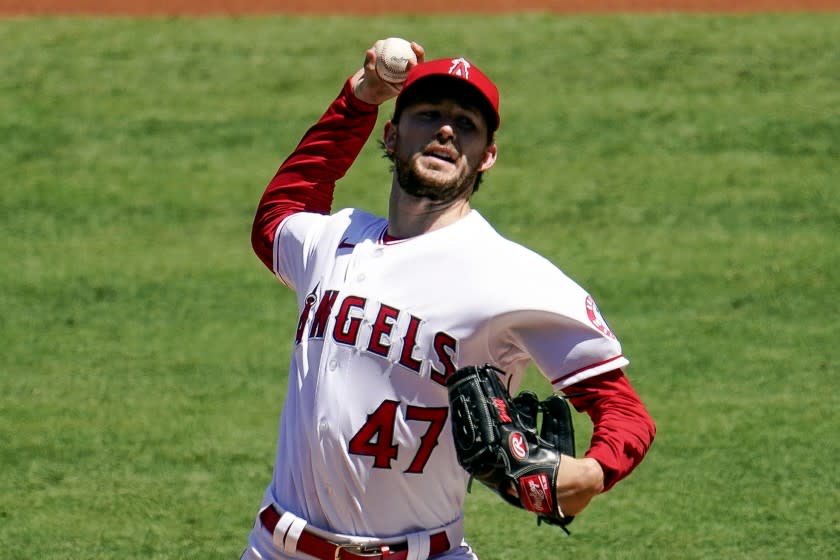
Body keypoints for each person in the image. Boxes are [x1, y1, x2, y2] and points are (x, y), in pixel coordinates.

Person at [241, 39, 656, 560]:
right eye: (429, 114)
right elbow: (279, 215)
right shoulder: (337, 238)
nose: (445, 129)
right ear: (391, 136)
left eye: (466, 124)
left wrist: (593, 471)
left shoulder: (514, 277)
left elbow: (625, 410)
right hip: (277, 549)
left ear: (487, 156)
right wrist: (359, 99)